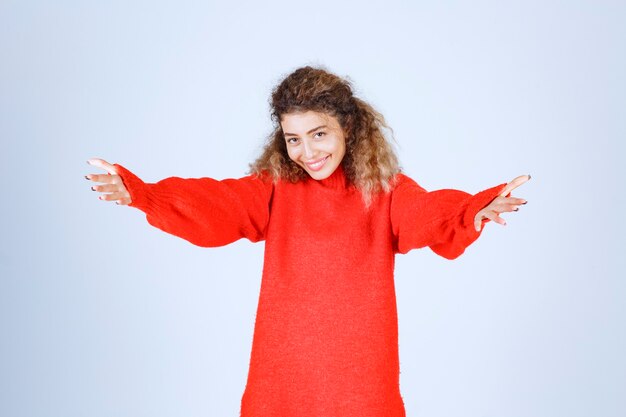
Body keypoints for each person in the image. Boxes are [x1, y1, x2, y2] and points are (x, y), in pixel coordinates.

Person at [85, 66, 529, 417]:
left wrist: (474, 209)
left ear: (348, 129)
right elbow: (217, 202)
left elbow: (426, 212)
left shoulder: (385, 190)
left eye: (319, 134)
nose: (307, 151)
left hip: (360, 384)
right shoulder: (275, 189)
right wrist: (146, 195)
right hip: (282, 380)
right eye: (293, 139)